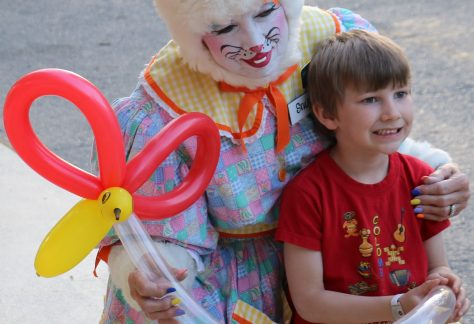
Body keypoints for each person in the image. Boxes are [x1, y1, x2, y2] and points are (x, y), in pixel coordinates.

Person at [96, 1, 471, 323]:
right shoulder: (162, 110)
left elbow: (375, 128)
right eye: (225, 27)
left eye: (265, 11)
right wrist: (149, 271)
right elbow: (158, 235)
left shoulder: (331, 37)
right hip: (226, 290)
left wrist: (434, 178)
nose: (256, 43)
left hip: (339, 259)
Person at [275, 30, 470, 323]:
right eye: (370, 100)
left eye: (401, 94)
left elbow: (437, 267)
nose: (392, 112)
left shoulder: (421, 179)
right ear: (328, 114)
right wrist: (397, 306)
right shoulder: (307, 194)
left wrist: (444, 287)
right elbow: (310, 302)